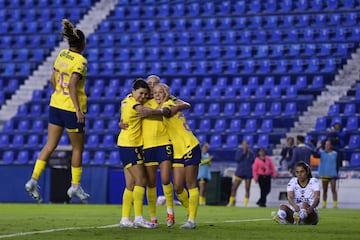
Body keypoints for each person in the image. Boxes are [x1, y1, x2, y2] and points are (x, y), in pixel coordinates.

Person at [25, 19, 89, 203]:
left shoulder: (61, 54)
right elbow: (71, 84)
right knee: (78, 147)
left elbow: (54, 79)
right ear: (82, 44)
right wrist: (77, 109)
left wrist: (58, 95)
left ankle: (33, 179)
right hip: (70, 109)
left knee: (49, 145)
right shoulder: (81, 61)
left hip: (56, 104)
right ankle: (75, 186)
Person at [135, 75, 191, 227]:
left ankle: (171, 213)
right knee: (151, 184)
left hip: (165, 143)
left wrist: (177, 107)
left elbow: (185, 104)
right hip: (148, 145)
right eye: (150, 83)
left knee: (166, 179)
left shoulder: (166, 99)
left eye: (155, 84)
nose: (152, 86)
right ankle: (153, 218)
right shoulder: (141, 100)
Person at [153, 83, 201, 229]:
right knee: (179, 187)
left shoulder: (167, 104)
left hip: (189, 145)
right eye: (155, 93)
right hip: (177, 151)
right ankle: (189, 212)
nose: (157, 95)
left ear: (166, 93)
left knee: (191, 184)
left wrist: (147, 112)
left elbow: (166, 112)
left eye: (160, 92)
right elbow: (186, 104)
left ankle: (192, 220)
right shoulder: (172, 101)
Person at [117, 78, 155, 228]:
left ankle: (125, 219)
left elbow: (123, 119)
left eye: (145, 94)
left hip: (127, 144)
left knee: (130, 184)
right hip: (130, 145)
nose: (143, 97)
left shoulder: (125, 100)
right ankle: (138, 217)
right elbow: (143, 111)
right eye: (141, 93)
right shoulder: (134, 104)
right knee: (142, 180)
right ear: (133, 91)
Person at [227, 140, 255, 207]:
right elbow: (237, 159)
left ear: (248, 145)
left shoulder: (251, 153)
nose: (245, 146)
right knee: (234, 188)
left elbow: (252, 161)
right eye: (243, 144)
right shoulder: (239, 152)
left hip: (248, 172)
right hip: (240, 172)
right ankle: (230, 203)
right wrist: (243, 153)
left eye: (246, 144)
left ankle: (245, 204)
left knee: (247, 188)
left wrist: (248, 154)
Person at [315, 139, 339, 208]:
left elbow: (337, 164)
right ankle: (324, 205)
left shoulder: (335, 153)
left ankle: (335, 205)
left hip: (333, 174)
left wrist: (337, 173)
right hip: (324, 173)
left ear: (331, 145)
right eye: (325, 144)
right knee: (325, 190)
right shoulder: (322, 153)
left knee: (333, 189)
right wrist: (318, 147)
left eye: (328, 144)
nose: (326, 146)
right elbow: (314, 154)